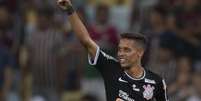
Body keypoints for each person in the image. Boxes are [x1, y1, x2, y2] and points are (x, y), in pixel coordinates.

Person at [57, 0, 169, 101]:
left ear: (140, 52)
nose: (121, 53)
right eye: (120, 49)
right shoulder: (111, 67)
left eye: (127, 50)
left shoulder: (156, 82)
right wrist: (70, 10)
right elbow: (86, 41)